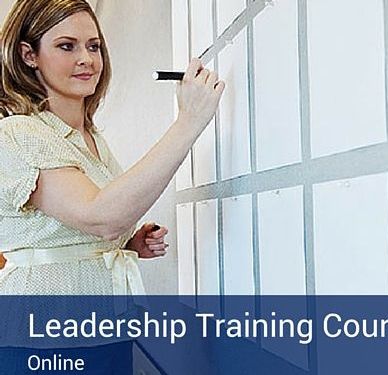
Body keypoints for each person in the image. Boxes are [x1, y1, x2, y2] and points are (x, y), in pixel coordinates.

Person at [0, 0, 224, 295]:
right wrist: (189, 122)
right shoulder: (18, 133)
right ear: (29, 55)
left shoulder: (90, 137)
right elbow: (101, 216)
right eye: (67, 46)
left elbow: (91, 226)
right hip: (45, 332)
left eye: (93, 46)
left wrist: (127, 243)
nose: (87, 59)